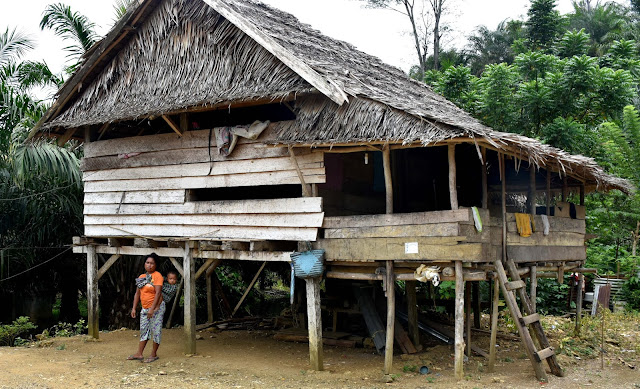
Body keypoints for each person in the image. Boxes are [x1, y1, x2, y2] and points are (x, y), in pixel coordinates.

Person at [128, 253, 165, 363]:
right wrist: (134, 308)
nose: (149, 265)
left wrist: (152, 309)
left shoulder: (157, 276)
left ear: (156, 265)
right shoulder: (141, 277)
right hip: (144, 308)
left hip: (156, 308)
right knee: (144, 329)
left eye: (152, 263)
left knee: (156, 330)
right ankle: (139, 353)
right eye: (147, 262)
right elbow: (137, 294)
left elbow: (158, 293)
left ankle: (153, 354)